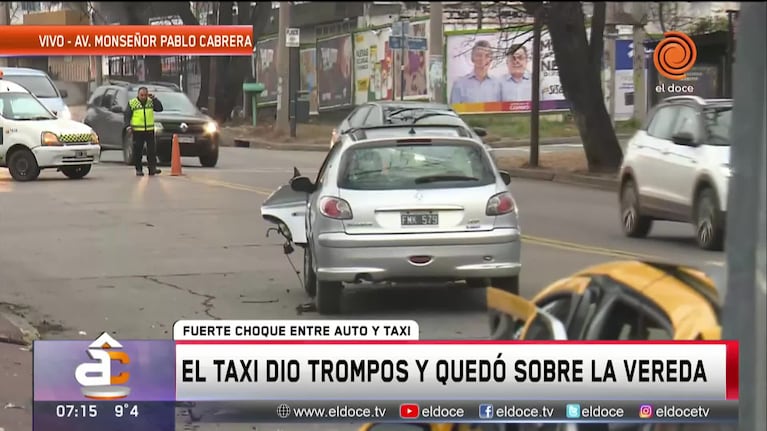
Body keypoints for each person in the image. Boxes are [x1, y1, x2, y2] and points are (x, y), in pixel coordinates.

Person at [124, 86, 164, 176]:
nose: (143, 97)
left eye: (145, 95)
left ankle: (152, 168)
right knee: (138, 151)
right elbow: (127, 115)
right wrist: (128, 126)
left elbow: (160, 108)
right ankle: (139, 169)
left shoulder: (151, 101)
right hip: (137, 130)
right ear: (138, 94)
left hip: (149, 130)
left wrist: (154, 99)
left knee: (152, 151)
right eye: (141, 95)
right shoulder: (132, 103)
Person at [449, 40, 501, 104]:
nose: (482, 59)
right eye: (479, 55)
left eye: (487, 56)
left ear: (491, 59)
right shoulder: (459, 84)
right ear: (472, 58)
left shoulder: (498, 84)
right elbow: (454, 110)